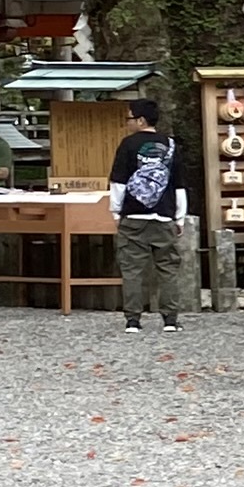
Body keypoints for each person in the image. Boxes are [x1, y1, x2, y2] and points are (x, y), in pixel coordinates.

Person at [104, 93, 189, 331]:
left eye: (129, 118)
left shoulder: (127, 145)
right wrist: (179, 216)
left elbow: (119, 182)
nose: (127, 123)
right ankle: (170, 320)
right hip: (164, 216)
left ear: (140, 120)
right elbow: (179, 184)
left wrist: (116, 213)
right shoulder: (170, 145)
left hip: (133, 216)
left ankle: (133, 320)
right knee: (168, 268)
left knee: (132, 269)